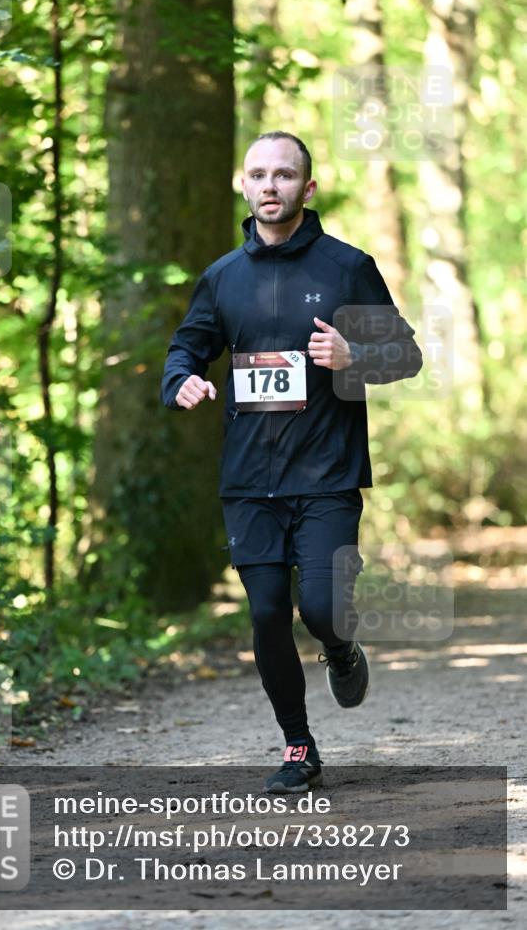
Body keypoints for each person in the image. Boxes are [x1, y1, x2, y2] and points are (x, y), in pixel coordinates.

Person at [161, 131, 423, 793]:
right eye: (258, 174)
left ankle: (340, 647)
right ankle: (297, 746)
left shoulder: (346, 267)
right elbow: (185, 349)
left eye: (284, 175)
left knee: (323, 608)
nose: (270, 185)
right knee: (266, 611)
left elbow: (403, 356)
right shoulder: (222, 278)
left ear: (307, 188)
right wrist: (181, 381)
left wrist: (353, 360)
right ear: (243, 186)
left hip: (328, 475)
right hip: (249, 480)